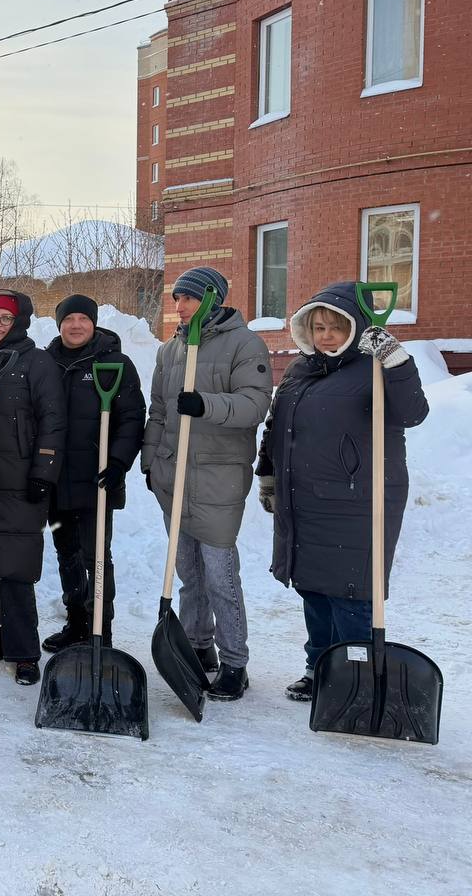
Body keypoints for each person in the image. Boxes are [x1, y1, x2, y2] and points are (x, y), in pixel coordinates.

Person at [255, 282, 428, 701]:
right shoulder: (301, 369)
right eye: (318, 327)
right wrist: (269, 474)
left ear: (356, 328)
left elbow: (413, 412)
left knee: (351, 593)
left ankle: (356, 678)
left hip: (357, 502)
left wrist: (396, 361)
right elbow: (278, 426)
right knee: (313, 590)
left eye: (336, 326)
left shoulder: (373, 368)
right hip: (305, 500)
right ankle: (319, 668)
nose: (326, 335)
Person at [141, 267, 272, 701]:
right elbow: (158, 410)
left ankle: (235, 662)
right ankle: (199, 647)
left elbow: (255, 405)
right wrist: (150, 459)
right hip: (173, 475)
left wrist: (206, 405)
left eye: (189, 299)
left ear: (213, 299)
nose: (179, 307)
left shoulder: (245, 344)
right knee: (188, 574)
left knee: (220, 576)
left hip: (218, 476)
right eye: (176, 299)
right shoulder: (169, 351)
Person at [0, 291, 66, 686]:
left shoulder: (36, 361)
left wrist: (44, 469)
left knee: (17, 565)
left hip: (21, 479)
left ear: (20, 322)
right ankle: (4, 634)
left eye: (6, 318)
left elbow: (53, 419)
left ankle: (25, 652)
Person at [42, 294, 146, 654]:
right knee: (65, 553)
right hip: (55, 484)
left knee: (96, 558)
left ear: (93, 323)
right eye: (68, 319)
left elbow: (132, 418)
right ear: (59, 324)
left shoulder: (115, 364)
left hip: (97, 482)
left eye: (83, 319)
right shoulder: (45, 363)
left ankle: (102, 630)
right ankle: (76, 623)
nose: (75, 325)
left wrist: (118, 463)